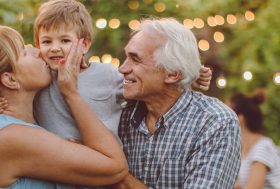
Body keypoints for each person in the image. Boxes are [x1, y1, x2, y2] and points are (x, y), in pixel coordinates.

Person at [112, 18, 241, 189]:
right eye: (126, 56)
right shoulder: (120, 109)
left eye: (135, 59)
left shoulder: (215, 122)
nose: (122, 68)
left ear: (173, 74)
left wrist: (116, 175)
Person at [0, 25, 128, 188]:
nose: (38, 51)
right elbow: (115, 168)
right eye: (24, 52)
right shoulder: (14, 137)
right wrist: (70, 92)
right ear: (10, 80)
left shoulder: (24, 125)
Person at [229, 91, 280, 189]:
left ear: (240, 118)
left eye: (227, 113)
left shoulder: (263, 147)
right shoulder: (245, 148)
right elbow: (244, 184)